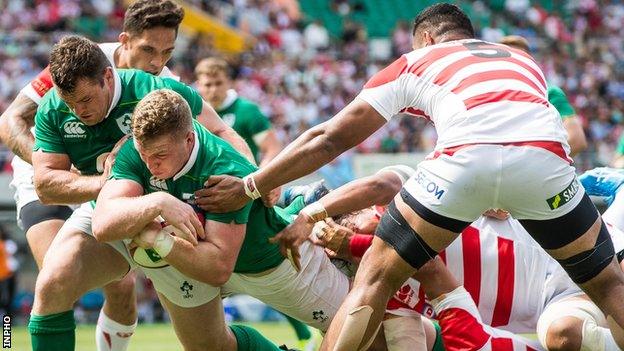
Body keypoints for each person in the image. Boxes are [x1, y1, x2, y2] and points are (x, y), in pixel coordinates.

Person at [194, 3, 624, 350]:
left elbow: (327, 138)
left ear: (425, 38)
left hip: (464, 162)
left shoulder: (418, 59)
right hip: (545, 166)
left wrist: (252, 185)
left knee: (376, 278)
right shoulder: (519, 60)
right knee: (608, 286)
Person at [27, 36, 251, 351]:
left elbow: (221, 131)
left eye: (86, 99)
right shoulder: (52, 108)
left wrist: (255, 182)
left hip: (181, 212)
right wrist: (106, 182)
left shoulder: (153, 91)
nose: (78, 110)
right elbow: (45, 184)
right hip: (113, 212)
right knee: (53, 282)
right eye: (70, 102)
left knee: (211, 345)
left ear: (108, 77)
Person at [92, 89, 352, 350]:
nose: (149, 164)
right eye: (143, 153)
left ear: (189, 140)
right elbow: (102, 225)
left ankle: (300, 206)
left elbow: (218, 268)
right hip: (196, 258)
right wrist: (157, 202)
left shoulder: (223, 167)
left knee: (360, 331)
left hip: (271, 263)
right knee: (207, 347)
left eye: (159, 155)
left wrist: (158, 239)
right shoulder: (139, 149)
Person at [0, 2, 193, 350]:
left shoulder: (163, 85)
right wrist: (59, 167)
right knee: (56, 279)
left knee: (120, 285)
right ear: (125, 42)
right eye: (148, 49)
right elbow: (11, 120)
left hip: (106, 188)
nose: (156, 62)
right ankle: (8, 337)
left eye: (166, 52)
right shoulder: (83, 64)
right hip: (46, 180)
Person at [304, 166, 623, 350]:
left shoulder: (409, 197)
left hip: (577, 249)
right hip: (557, 302)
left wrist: (493, 193)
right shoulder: (382, 291)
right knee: (560, 335)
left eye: (348, 217)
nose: (351, 227)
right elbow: (409, 344)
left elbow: (385, 192)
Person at [499, 35, 588, 157]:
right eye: (508, 58)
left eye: (520, 58)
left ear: (531, 63)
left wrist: (535, 164)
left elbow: (577, 140)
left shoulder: (548, 92)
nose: (515, 63)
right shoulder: (487, 92)